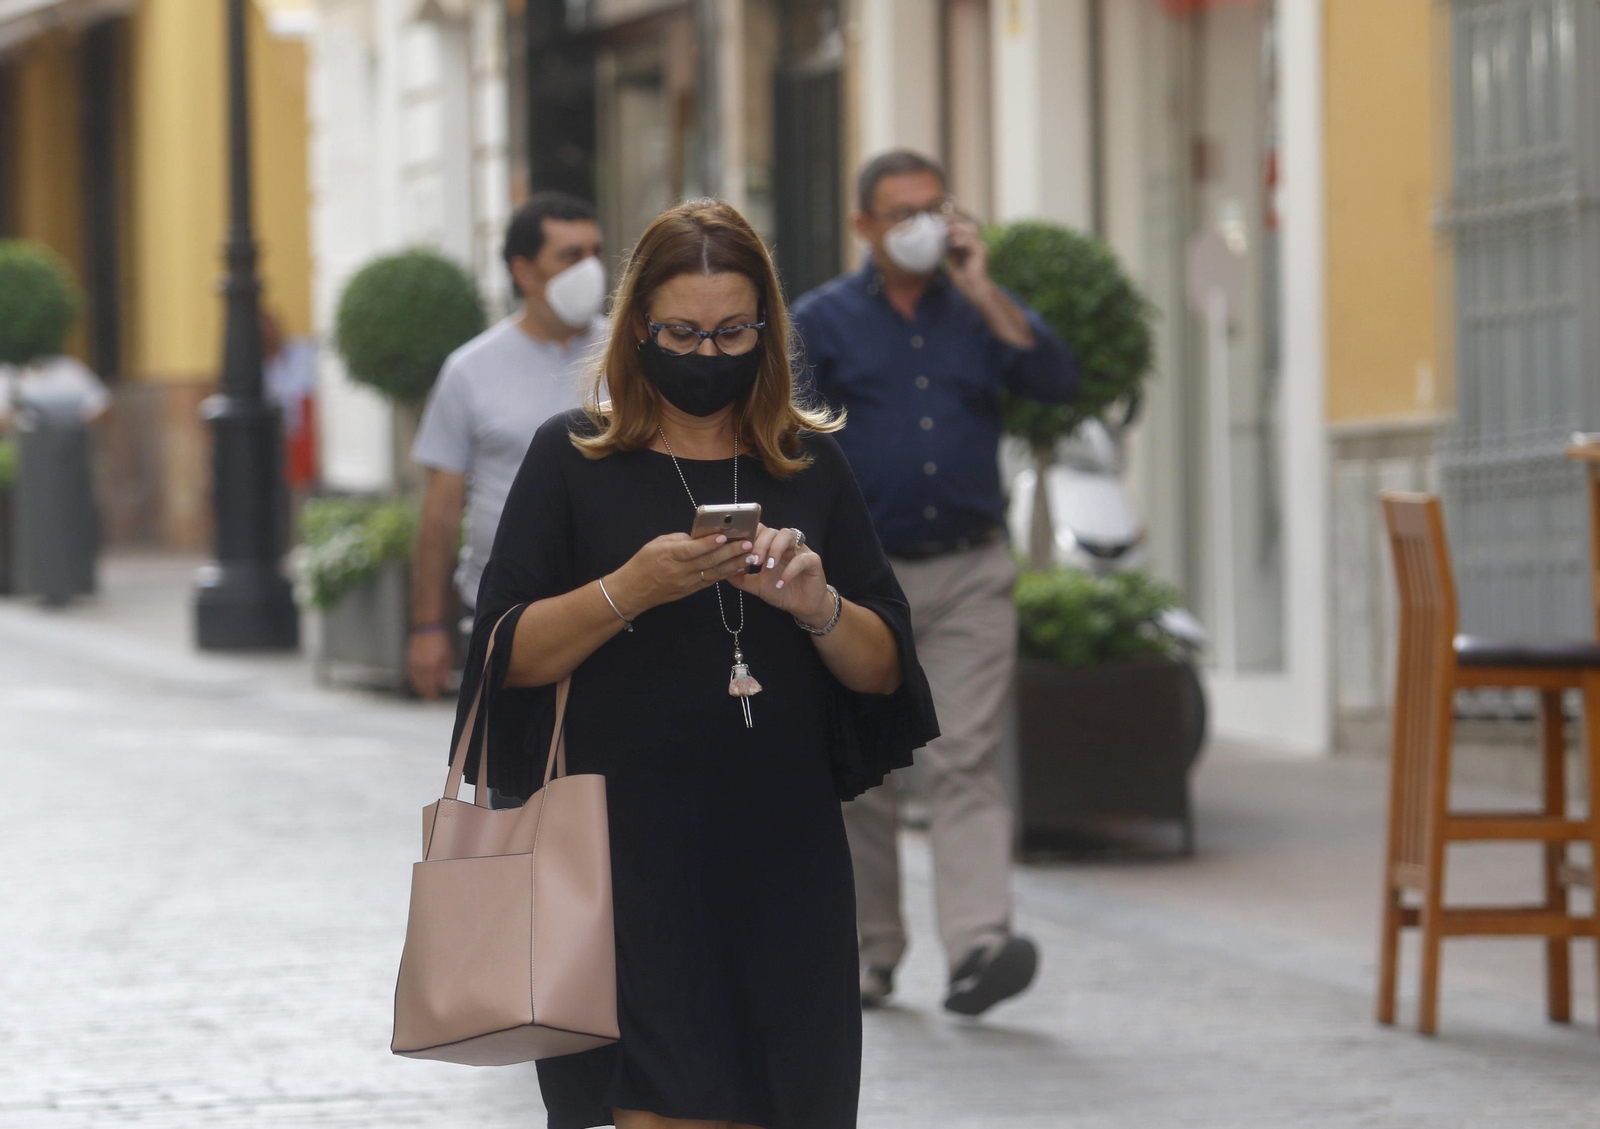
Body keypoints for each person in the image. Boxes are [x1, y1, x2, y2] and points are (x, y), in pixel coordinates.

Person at [453, 198, 937, 1129]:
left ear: (767, 330)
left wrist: (817, 604)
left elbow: (885, 672)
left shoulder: (806, 465)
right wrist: (629, 588)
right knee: (664, 1105)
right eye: (683, 332)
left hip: (785, 864)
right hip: (625, 862)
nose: (708, 354)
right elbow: (504, 654)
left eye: (733, 332)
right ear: (638, 326)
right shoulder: (573, 459)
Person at [792, 150, 1079, 1017]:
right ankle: (871, 951)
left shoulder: (978, 311)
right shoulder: (821, 321)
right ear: (864, 226)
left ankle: (979, 945)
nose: (923, 224)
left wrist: (984, 289)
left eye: (934, 207)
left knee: (964, 755)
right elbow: (786, 438)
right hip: (863, 581)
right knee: (864, 769)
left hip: (969, 568)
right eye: (902, 211)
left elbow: (1055, 379)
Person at [408, 191, 608, 699]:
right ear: (525, 273)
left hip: (615, 609)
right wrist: (428, 626)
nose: (590, 269)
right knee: (511, 752)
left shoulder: (632, 356)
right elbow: (440, 511)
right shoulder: (470, 370)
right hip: (505, 613)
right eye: (570, 255)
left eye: (595, 252)